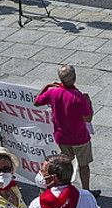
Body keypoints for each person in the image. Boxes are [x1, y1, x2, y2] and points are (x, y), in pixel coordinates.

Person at [34, 65, 97, 194]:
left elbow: (36, 101)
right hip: (80, 138)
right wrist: (88, 102)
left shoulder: (52, 92)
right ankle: (87, 191)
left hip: (62, 137)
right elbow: (88, 118)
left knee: (65, 165)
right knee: (83, 165)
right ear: (74, 78)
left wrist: (47, 86)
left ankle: (66, 189)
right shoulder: (79, 97)